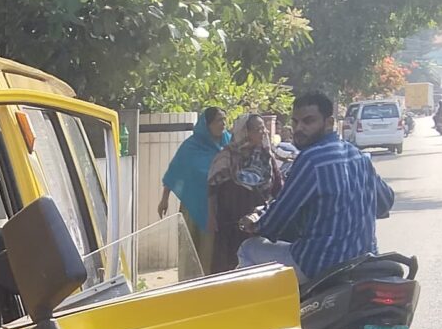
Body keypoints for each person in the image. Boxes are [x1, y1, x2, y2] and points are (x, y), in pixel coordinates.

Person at [257, 91, 396, 288]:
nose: (299, 128)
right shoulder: (358, 155)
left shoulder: (310, 159)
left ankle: (274, 308)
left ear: (329, 122)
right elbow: (386, 202)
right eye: (295, 122)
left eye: (308, 121)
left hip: (320, 265)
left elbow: (275, 221)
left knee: (249, 248)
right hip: (365, 261)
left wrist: (256, 225)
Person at [206, 114, 285, 275]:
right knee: (228, 265)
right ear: (245, 132)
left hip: (257, 220)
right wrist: (211, 216)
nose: (264, 132)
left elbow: (278, 187)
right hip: (230, 221)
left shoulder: (266, 156)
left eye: (264, 128)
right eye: (258, 129)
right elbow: (213, 187)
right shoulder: (227, 156)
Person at [157, 106, 227, 261]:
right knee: (191, 252)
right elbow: (174, 170)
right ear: (207, 124)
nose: (223, 124)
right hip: (193, 207)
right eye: (218, 120)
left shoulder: (228, 144)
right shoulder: (191, 146)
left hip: (219, 208)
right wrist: (164, 199)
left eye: (224, 120)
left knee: (214, 254)